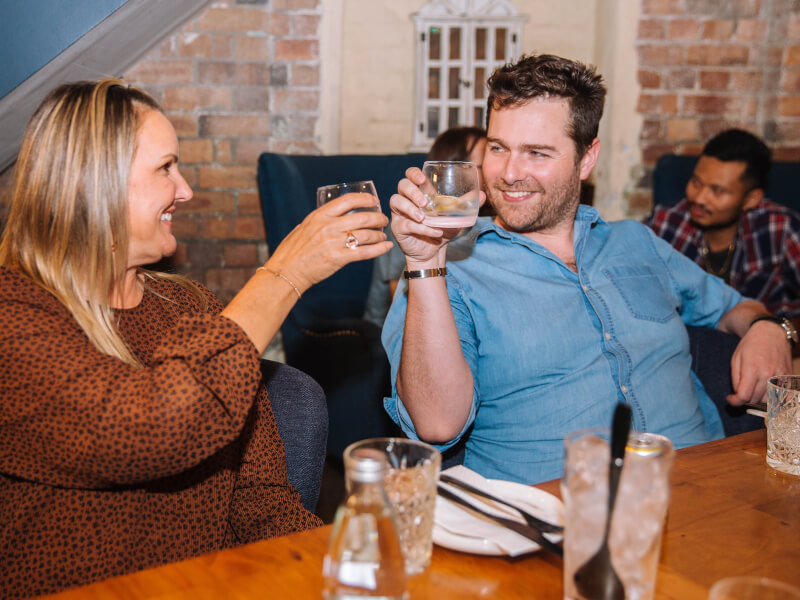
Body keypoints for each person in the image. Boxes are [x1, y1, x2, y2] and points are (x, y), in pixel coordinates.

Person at [0, 79, 391, 598]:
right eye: (165, 168)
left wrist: (343, 568)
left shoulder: (192, 307)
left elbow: (260, 497)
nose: (184, 191)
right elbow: (149, 430)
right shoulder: (14, 313)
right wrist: (286, 274)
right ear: (95, 182)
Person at [383, 54, 791, 485]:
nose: (508, 173)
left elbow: (731, 307)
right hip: (551, 519)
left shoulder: (636, 242)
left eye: (537, 153)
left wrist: (767, 327)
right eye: (498, 148)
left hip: (709, 490)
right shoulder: (450, 271)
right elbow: (436, 425)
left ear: (586, 158)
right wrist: (425, 263)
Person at [645, 129, 800, 347]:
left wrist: (782, 332)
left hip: (766, 349)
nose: (699, 198)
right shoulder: (666, 222)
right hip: (686, 351)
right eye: (696, 182)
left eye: (717, 191)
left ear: (751, 199)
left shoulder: (780, 229)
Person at [363, 126, 487, 326]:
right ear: (455, 170)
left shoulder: (483, 222)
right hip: (387, 333)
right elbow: (402, 312)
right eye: (483, 165)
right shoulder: (412, 222)